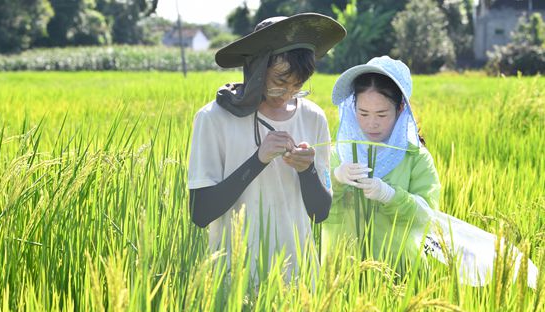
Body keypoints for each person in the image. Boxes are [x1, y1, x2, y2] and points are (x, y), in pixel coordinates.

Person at [188, 13, 346, 279]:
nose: (286, 95)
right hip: (234, 278)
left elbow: (320, 213)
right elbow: (201, 213)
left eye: (297, 86)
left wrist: (307, 171)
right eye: (279, 83)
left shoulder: (313, 117)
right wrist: (257, 160)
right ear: (257, 69)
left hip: (299, 275)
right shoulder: (214, 118)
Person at [323, 56, 440, 275]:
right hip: (344, 273)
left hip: (401, 271)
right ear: (352, 106)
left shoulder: (415, 157)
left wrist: (390, 195)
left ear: (400, 108)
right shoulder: (340, 152)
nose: (371, 123)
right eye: (363, 113)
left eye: (382, 114)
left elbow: (427, 217)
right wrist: (336, 179)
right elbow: (317, 212)